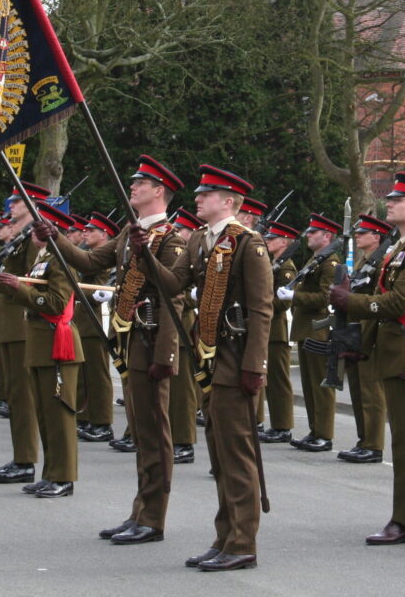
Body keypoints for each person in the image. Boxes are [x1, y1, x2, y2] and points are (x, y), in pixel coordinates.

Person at [39, 155, 185, 542]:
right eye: (133, 182)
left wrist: (166, 356)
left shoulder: (170, 238)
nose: (133, 187)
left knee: (154, 433)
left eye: (141, 183)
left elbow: (175, 299)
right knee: (141, 432)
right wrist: (55, 238)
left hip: (153, 344)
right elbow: (89, 261)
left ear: (159, 191)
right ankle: (140, 511)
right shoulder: (130, 230)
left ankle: (153, 519)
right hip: (132, 341)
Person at [143, 164, 273, 572]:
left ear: (229, 202)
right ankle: (224, 537)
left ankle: (242, 542)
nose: (198, 198)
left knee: (236, 456)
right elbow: (171, 284)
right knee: (218, 454)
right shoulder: (200, 240)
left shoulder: (247, 244)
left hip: (235, 361)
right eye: (199, 193)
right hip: (210, 358)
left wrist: (255, 367)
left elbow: (262, 309)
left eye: (207, 194)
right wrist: (142, 253)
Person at [328, 173, 405, 545]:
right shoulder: (401, 248)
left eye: (398, 200)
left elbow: (398, 304)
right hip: (396, 350)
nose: (389, 204)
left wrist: (352, 303)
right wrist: (363, 343)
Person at [0, 201, 83, 497]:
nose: (34, 232)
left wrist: (19, 289)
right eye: (33, 227)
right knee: (46, 415)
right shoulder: (42, 258)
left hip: (56, 341)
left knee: (59, 415)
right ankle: (51, 473)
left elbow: (58, 302)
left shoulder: (61, 258)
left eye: (39, 227)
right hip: (40, 342)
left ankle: (64, 477)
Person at [0, 186, 49, 484]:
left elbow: (35, 278)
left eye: (17, 201)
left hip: (21, 324)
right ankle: (20, 457)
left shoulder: (34, 237)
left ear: (33, 205)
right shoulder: (16, 238)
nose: (11, 206)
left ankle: (26, 460)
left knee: (22, 398)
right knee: (13, 398)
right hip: (6, 325)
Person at [283, 214, 342, 452]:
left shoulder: (330, 263)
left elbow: (326, 297)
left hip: (319, 330)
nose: (308, 235)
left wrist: (294, 296)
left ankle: (324, 435)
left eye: (313, 232)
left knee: (321, 386)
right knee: (309, 386)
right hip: (307, 329)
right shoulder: (316, 259)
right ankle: (314, 430)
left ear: (327, 236)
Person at [338, 214, 392, 464]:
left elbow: (379, 298)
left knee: (371, 391)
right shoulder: (364, 262)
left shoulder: (381, 263)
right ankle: (363, 440)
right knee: (358, 390)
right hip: (356, 330)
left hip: (370, 331)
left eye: (363, 233)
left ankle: (374, 444)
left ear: (376, 237)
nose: (357, 236)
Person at [75, 210, 118, 444]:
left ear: (104, 235)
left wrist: (71, 288)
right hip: (82, 319)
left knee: (97, 375)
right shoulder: (89, 255)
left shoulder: (104, 258)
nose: (85, 233)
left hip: (96, 320)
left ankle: (102, 422)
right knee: (82, 374)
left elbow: (102, 290)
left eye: (91, 230)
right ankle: (85, 416)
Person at [258, 221, 299, 444]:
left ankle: (283, 427)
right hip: (268, 330)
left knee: (279, 381)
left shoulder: (286, 268)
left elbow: (283, 302)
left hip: (277, 331)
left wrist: (261, 308)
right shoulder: (274, 263)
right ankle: (277, 425)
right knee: (270, 381)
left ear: (284, 242)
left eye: (272, 239)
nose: (267, 241)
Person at [169, 207, 204, 463]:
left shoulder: (196, 256)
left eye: (180, 229)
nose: (176, 232)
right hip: (166, 325)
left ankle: (184, 442)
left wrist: (189, 297)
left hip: (183, 327)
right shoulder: (178, 254)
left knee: (183, 391)